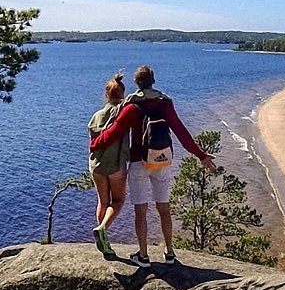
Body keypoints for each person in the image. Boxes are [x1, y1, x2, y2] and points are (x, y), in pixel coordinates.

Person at [90, 65, 215, 267]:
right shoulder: (165, 104)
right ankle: (170, 253)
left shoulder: (131, 107)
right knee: (164, 209)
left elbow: (113, 132)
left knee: (141, 211)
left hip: (140, 162)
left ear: (137, 83)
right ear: (153, 81)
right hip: (162, 160)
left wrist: (95, 144)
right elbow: (181, 132)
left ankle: (144, 256)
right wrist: (201, 155)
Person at [87, 72, 130, 258]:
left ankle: (103, 239)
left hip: (96, 165)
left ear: (106, 94)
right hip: (115, 164)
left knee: (102, 202)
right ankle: (103, 229)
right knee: (118, 201)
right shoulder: (124, 111)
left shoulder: (95, 116)